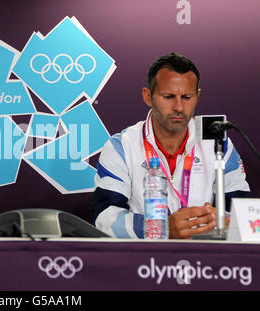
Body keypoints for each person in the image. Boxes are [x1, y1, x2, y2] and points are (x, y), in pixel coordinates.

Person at [91, 52, 250, 239]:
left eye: (187, 97)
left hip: (205, 261)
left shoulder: (218, 142)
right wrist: (161, 229)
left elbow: (246, 215)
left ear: (198, 96)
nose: (179, 107)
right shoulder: (122, 146)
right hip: (141, 263)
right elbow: (103, 219)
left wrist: (221, 221)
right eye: (168, 97)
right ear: (147, 96)